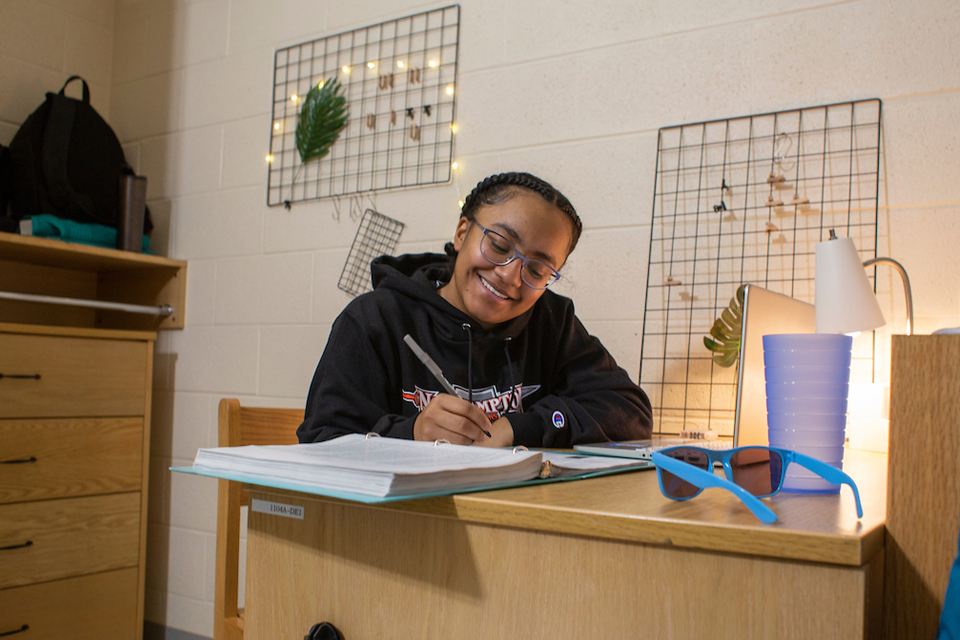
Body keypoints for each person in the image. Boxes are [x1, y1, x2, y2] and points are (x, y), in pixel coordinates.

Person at [297, 172, 653, 447]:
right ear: (462, 232)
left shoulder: (551, 322)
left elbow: (630, 411)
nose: (510, 276)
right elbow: (321, 438)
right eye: (499, 245)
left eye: (537, 270)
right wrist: (414, 433)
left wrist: (517, 427)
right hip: (396, 530)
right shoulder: (375, 319)